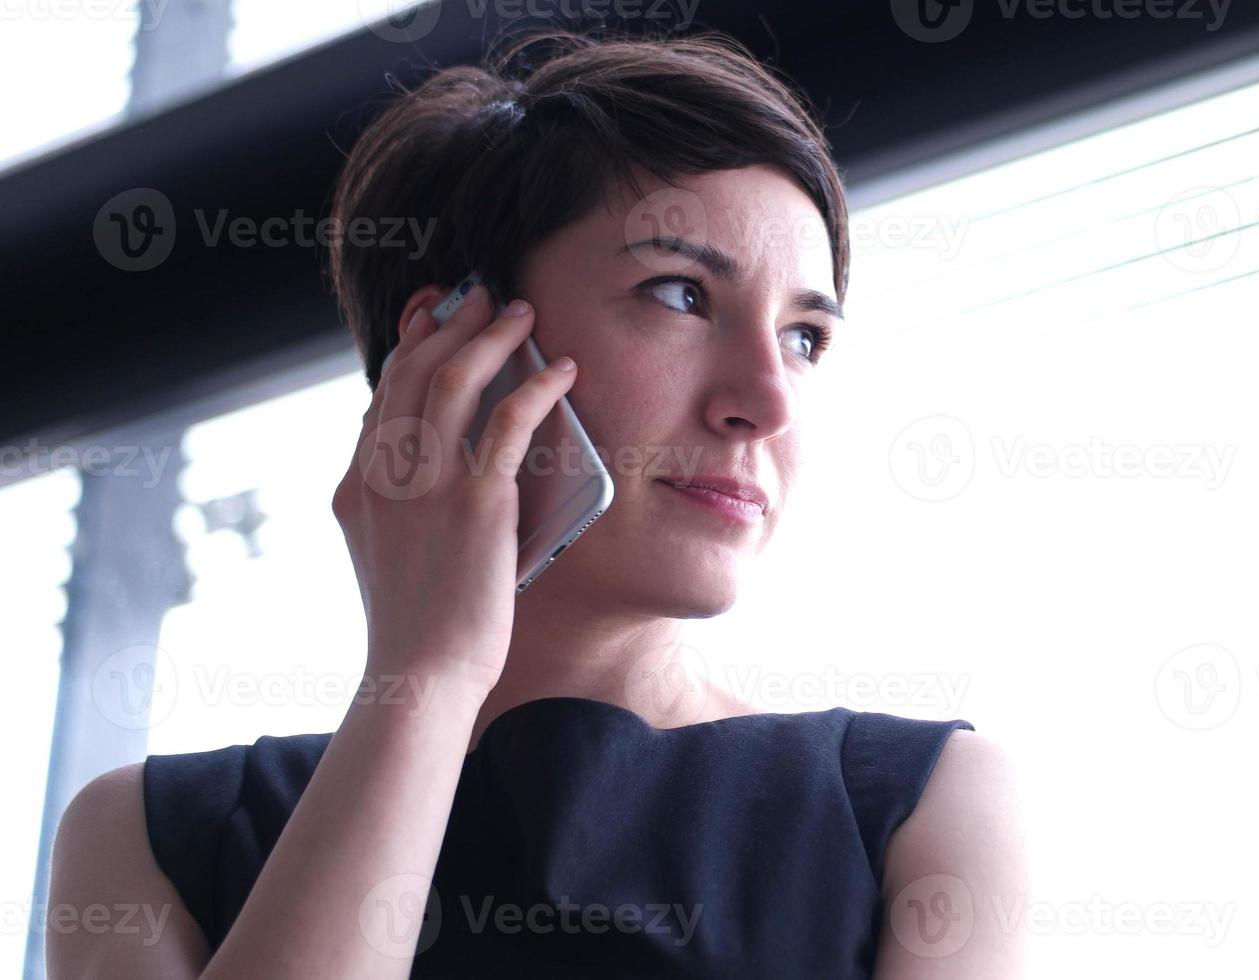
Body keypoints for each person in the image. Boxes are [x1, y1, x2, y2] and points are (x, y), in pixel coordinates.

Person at [47, 30, 1026, 979]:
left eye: (805, 337)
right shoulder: (154, 835)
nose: (766, 401)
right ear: (457, 347)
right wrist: (422, 673)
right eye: (680, 294)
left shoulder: (914, 806)